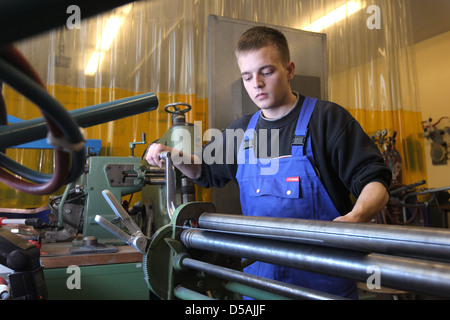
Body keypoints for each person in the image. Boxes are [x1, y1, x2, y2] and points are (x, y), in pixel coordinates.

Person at [145, 26, 391, 299]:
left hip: (323, 280)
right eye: (247, 76)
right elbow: (206, 171)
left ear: (290, 70)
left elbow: (374, 179)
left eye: (267, 71)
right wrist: (173, 155)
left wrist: (355, 218)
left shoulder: (327, 120)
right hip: (259, 281)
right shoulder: (241, 131)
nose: (256, 84)